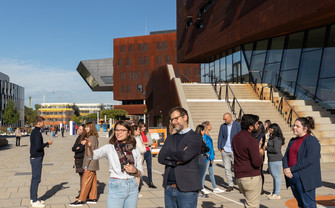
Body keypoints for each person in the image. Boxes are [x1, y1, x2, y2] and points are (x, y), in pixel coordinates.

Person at [85, 120, 143, 208]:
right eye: (116, 130)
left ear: (129, 133)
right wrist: (89, 147)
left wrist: (134, 170)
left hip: (132, 185)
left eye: (122, 130)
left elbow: (140, 173)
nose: (119, 133)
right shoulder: (110, 148)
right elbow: (92, 156)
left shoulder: (135, 150)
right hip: (116, 184)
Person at [158, 107, 202, 208]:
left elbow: (184, 156)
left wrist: (169, 152)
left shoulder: (195, 137)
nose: (173, 122)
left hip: (187, 190)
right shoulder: (170, 138)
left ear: (185, 117)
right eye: (172, 119)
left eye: (176, 118)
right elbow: (161, 157)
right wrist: (174, 162)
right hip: (169, 188)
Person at [282, 117, 321, 208]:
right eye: (294, 125)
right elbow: (285, 157)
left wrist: (290, 169)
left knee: (308, 204)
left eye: (297, 126)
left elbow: (309, 160)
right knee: (301, 204)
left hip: (304, 178)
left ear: (305, 128)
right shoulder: (292, 140)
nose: (294, 127)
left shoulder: (312, 141)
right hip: (292, 176)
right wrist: (285, 169)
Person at [232, 114, 264, 208]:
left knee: (249, 203)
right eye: (257, 124)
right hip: (251, 176)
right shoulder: (251, 140)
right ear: (250, 127)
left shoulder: (235, 138)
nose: (258, 126)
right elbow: (256, 162)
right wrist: (260, 153)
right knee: (252, 205)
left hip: (239, 176)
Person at [70, 122, 99, 207]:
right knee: (93, 181)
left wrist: (86, 165)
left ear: (91, 128)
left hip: (90, 162)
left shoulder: (91, 138)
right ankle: (93, 197)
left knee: (85, 180)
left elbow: (90, 153)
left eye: (87, 127)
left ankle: (81, 200)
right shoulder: (92, 137)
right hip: (93, 162)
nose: (86, 128)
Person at [30, 116, 53, 208]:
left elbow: (37, 145)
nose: (44, 124)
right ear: (38, 123)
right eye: (43, 122)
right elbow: (37, 147)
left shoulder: (35, 131)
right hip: (36, 158)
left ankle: (33, 198)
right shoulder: (37, 133)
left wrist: (44, 145)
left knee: (35, 179)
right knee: (36, 179)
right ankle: (34, 201)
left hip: (35, 157)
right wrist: (47, 143)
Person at [217, 112, 241, 192]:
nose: (224, 120)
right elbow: (220, 136)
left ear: (230, 117)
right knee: (227, 168)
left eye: (225, 118)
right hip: (225, 150)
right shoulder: (223, 126)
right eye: (223, 119)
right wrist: (220, 147)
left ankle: (240, 185)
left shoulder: (237, 125)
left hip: (234, 150)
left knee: (237, 168)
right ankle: (230, 185)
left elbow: (240, 136)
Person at [202, 121, 225, 194]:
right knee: (204, 173)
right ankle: (201, 188)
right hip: (207, 158)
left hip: (210, 157)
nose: (211, 126)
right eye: (210, 125)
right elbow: (207, 148)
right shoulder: (204, 136)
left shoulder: (208, 135)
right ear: (207, 126)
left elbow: (211, 148)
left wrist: (213, 156)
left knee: (211, 173)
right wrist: (211, 157)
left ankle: (215, 187)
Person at [264, 123, 285, 200]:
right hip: (272, 159)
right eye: (270, 128)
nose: (270, 129)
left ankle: (277, 194)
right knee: (274, 176)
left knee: (277, 176)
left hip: (276, 159)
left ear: (276, 129)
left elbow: (276, 150)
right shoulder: (272, 137)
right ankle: (274, 192)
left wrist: (266, 148)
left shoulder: (277, 138)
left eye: (272, 128)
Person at [139, 123, 156, 188]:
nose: (144, 128)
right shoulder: (138, 135)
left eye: (145, 127)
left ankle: (150, 182)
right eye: (143, 127)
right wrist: (145, 144)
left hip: (148, 151)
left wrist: (146, 143)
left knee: (149, 168)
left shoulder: (147, 134)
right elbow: (139, 143)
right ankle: (139, 182)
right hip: (142, 152)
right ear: (140, 127)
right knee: (140, 167)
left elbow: (151, 142)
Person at [71, 124, 86, 199]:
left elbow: (81, 149)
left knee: (83, 176)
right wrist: (76, 148)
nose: (78, 130)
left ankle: (83, 193)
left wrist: (78, 148)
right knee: (81, 176)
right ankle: (82, 192)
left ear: (83, 131)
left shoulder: (85, 138)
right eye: (78, 129)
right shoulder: (78, 138)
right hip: (77, 159)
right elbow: (73, 148)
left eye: (80, 129)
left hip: (82, 159)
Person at [132, 124, 147, 198]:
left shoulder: (129, 139)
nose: (139, 131)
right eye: (138, 130)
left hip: (131, 159)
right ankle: (136, 192)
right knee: (137, 176)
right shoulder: (136, 139)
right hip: (137, 159)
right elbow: (142, 150)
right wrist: (144, 145)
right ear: (134, 131)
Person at [195, 124, 209, 199]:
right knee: (200, 176)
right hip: (201, 157)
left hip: (195, 158)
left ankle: (196, 191)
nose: (204, 132)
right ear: (201, 130)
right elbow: (206, 148)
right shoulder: (200, 138)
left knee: (196, 176)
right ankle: (198, 193)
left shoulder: (193, 137)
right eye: (203, 130)